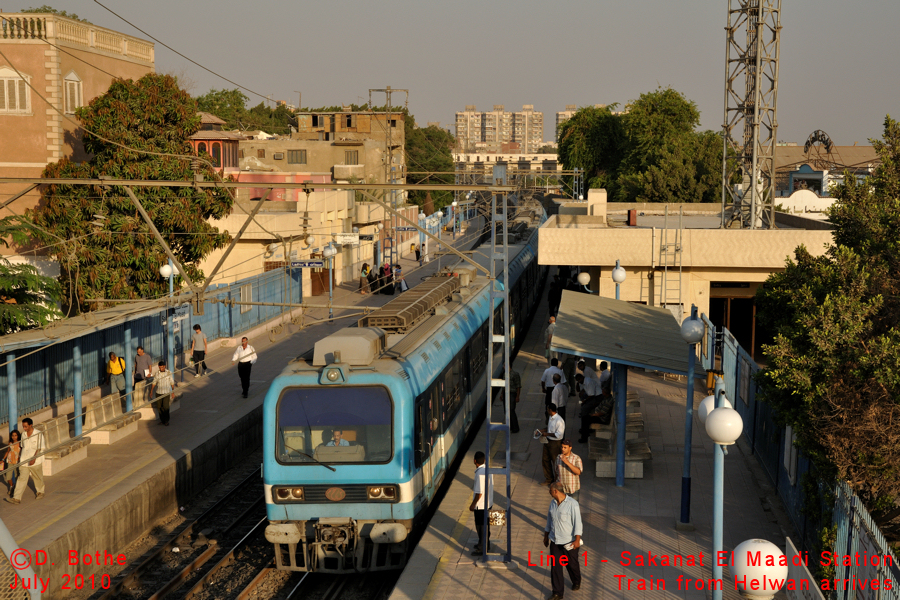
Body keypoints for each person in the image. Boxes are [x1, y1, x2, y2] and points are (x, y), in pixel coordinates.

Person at [543, 482, 583, 600]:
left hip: (569, 542)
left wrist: (577, 540)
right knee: (556, 567)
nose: (549, 492)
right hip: (555, 540)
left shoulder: (573, 504)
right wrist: (546, 536)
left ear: (556, 491)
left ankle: (576, 580)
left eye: (550, 490)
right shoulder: (552, 504)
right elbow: (549, 521)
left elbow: (578, 523)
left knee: (572, 565)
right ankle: (557, 593)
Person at [6, 418, 44, 504]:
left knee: (37, 477)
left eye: (26, 426)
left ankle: (40, 492)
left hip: (35, 461)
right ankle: (16, 498)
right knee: (21, 479)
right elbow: (22, 446)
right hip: (24, 461)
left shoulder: (38, 434)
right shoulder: (23, 434)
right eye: (23, 426)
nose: (24, 428)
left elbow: (40, 447)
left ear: (31, 425)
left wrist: (34, 459)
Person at [469, 451, 493, 556]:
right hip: (489, 503)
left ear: (475, 461)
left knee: (481, 527)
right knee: (486, 526)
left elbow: (479, 493)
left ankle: (482, 548)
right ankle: (484, 544)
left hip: (481, 505)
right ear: (484, 460)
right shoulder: (488, 470)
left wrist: (473, 504)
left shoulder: (479, 474)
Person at [537, 403, 565, 486]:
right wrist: (542, 431)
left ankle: (557, 481)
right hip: (547, 442)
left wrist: (547, 434)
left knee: (555, 462)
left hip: (555, 444)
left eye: (547, 409)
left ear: (550, 410)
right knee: (545, 460)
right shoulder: (550, 418)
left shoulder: (559, 421)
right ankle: (549, 479)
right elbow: (549, 428)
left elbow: (559, 434)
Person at [149, 361, 175, 426]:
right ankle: (162, 420)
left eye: (162, 367)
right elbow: (154, 382)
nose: (161, 368)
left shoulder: (168, 373)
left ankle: (166, 420)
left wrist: (172, 392)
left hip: (166, 393)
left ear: (164, 366)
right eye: (160, 367)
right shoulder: (157, 373)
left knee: (165, 407)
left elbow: (172, 382)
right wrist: (151, 391)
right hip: (159, 392)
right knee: (159, 407)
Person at [2, 430, 21, 498]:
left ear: (18, 436)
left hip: (17, 461)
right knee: (8, 476)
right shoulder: (10, 443)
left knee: (16, 476)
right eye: (13, 435)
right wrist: (3, 459)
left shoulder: (20, 443)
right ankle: (12, 486)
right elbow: (7, 451)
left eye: (15, 435)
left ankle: (15, 490)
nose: (14, 437)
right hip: (10, 461)